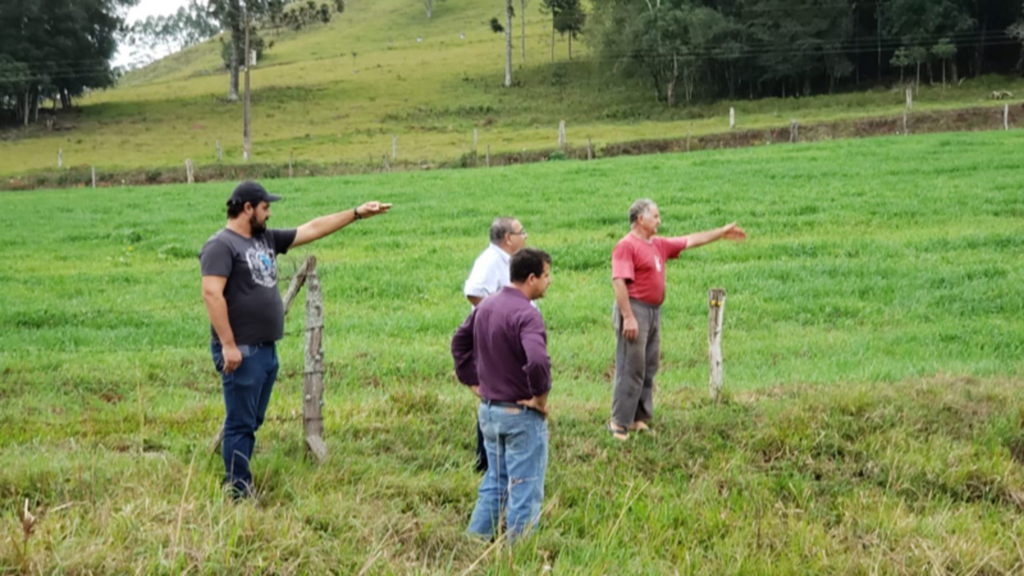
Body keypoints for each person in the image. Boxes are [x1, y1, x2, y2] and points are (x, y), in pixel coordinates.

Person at [199, 180, 391, 497]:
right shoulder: (221, 246)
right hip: (241, 351)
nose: (269, 213)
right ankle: (238, 490)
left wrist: (356, 213)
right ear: (247, 208)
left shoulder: (264, 239)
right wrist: (229, 345)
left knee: (251, 420)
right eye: (265, 207)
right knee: (240, 423)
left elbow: (312, 228)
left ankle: (239, 480)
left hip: (264, 349)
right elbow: (211, 294)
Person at [608, 199, 745, 441]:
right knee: (631, 365)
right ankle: (619, 422)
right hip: (635, 309)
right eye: (656, 217)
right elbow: (619, 281)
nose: (659, 221)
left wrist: (721, 233)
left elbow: (691, 240)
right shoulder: (626, 246)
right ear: (641, 219)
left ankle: (639, 418)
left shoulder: (658, 245)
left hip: (653, 311)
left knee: (649, 365)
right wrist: (628, 316)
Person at [451, 248, 553, 542]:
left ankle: (475, 541)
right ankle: (518, 555)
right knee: (525, 485)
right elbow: (537, 360)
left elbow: (458, 343)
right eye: (546, 276)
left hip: (490, 411)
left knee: (495, 480)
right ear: (531, 278)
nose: (549, 282)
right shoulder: (527, 314)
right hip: (520, 415)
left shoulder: (486, 306)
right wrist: (540, 399)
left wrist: (471, 382)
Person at [462, 217, 529, 473]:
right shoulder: (490, 261)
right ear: (508, 238)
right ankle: (486, 460)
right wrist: (498, 318)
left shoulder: (507, 261)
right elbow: (474, 290)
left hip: (507, 337)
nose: (525, 236)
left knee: (503, 393)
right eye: (521, 232)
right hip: (495, 338)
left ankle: (500, 455)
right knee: (494, 394)